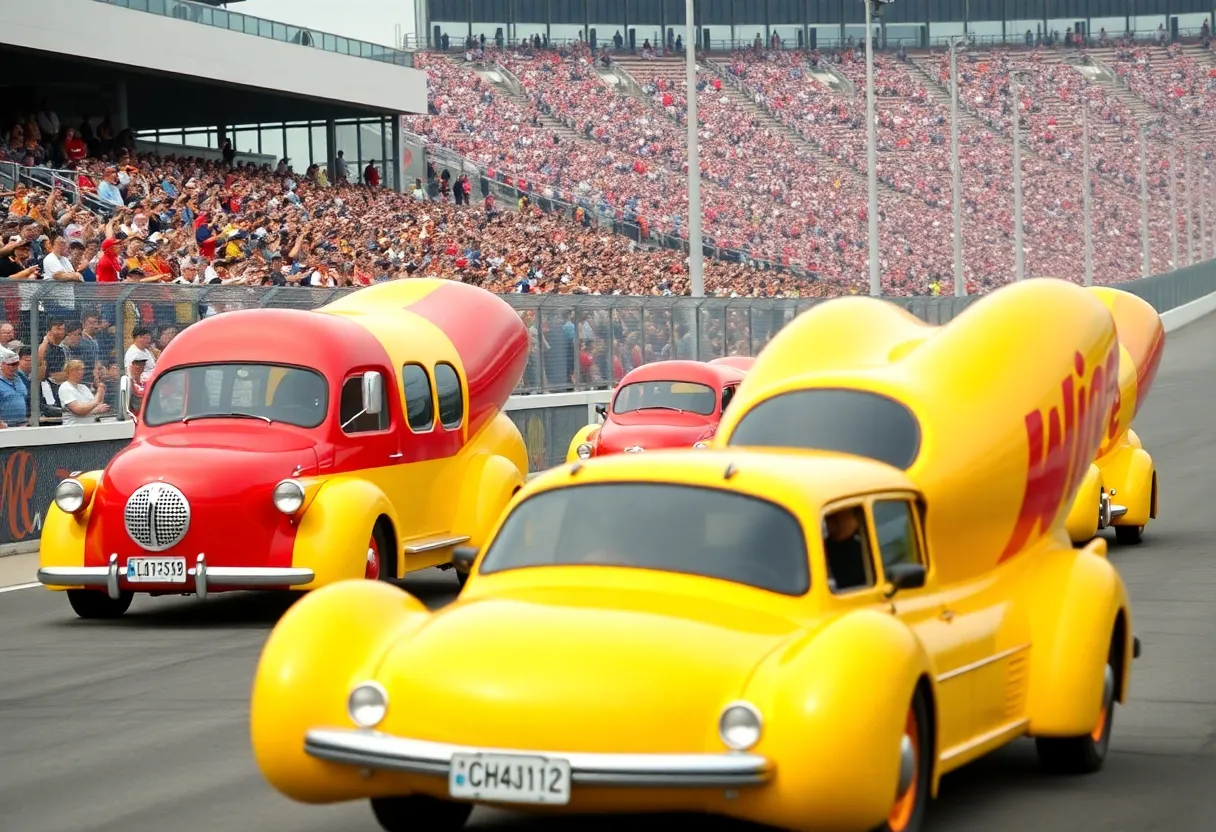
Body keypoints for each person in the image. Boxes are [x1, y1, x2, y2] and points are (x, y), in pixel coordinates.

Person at [823, 509, 871, 591]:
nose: (828, 522)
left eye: (834, 517)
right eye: (828, 518)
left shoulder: (865, 545)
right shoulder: (822, 549)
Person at [58, 359, 110, 425]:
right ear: (70, 371)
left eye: (82, 369)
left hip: (90, 428)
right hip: (73, 429)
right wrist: (96, 409)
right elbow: (79, 410)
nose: (81, 372)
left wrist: (101, 389)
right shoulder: (65, 388)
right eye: (78, 370)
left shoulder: (83, 387)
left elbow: (97, 404)